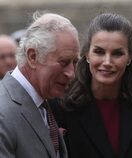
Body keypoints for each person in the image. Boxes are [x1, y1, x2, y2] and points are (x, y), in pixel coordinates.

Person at [50, 13, 132, 158]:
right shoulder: (60, 106)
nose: (107, 62)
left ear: (129, 58)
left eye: (117, 53)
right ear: (87, 54)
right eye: (99, 52)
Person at [0, 11, 79, 158]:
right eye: (64, 62)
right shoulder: (3, 112)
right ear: (33, 57)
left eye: (75, 63)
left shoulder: (45, 102)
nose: (71, 73)